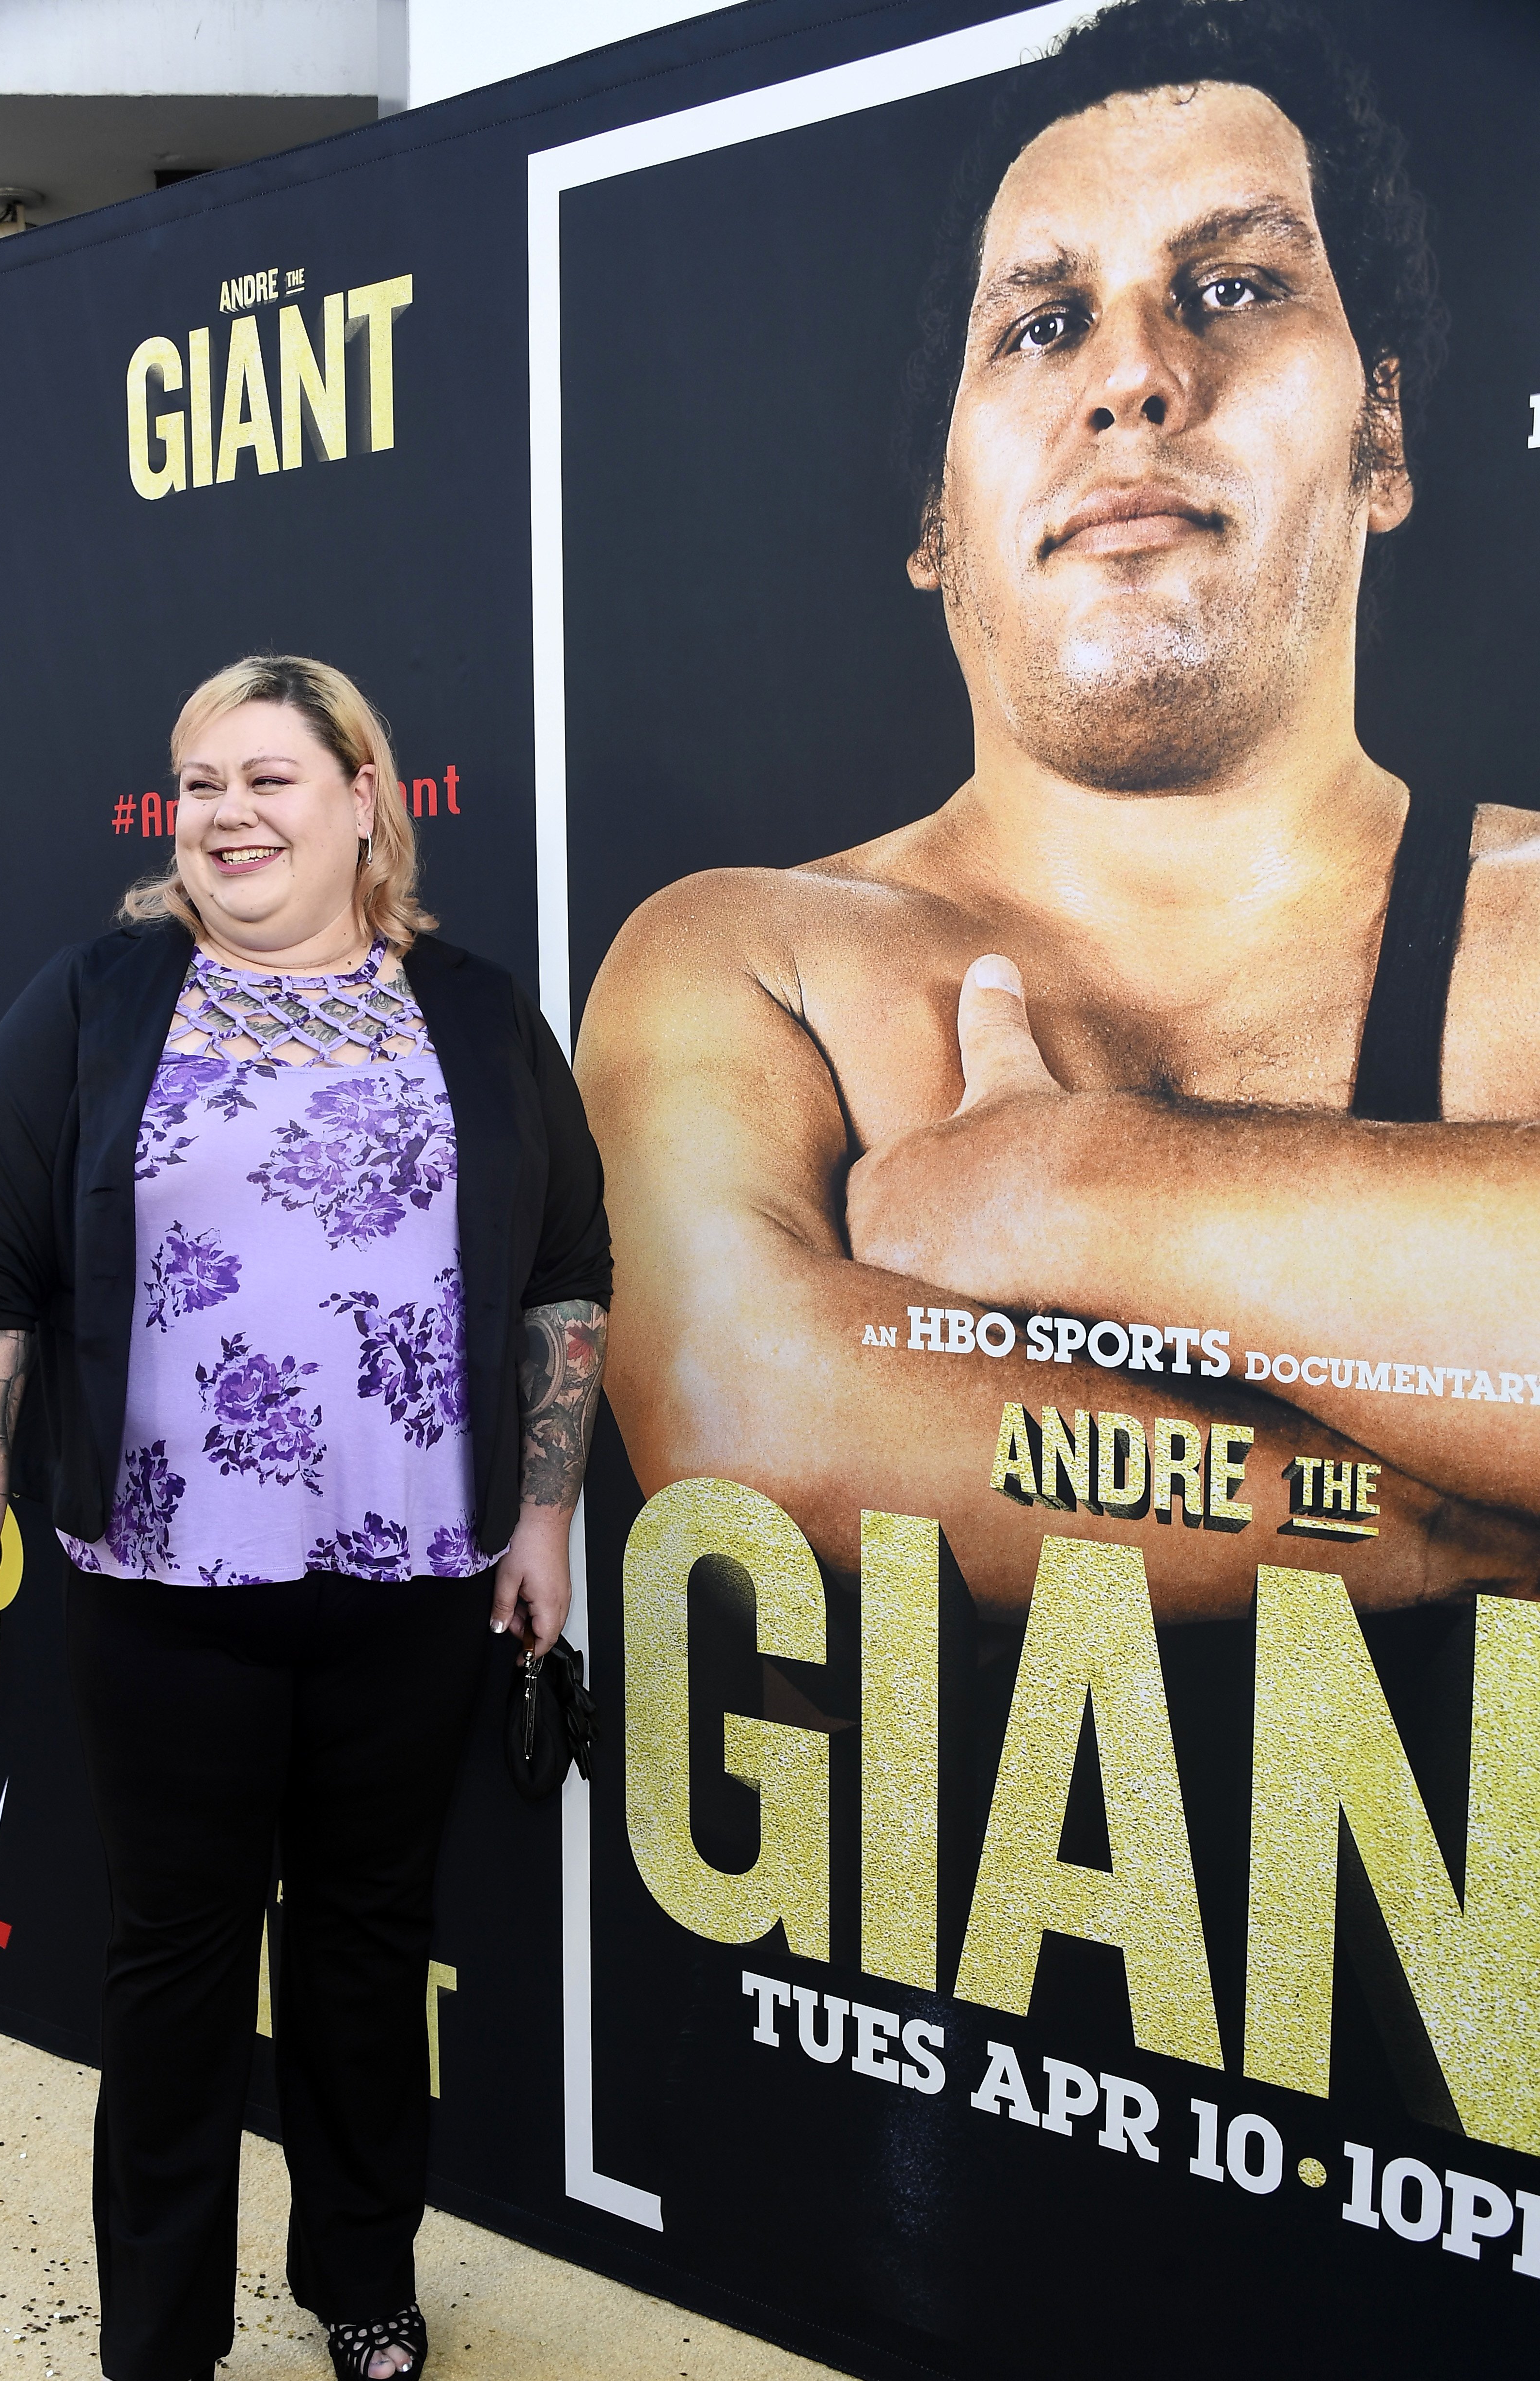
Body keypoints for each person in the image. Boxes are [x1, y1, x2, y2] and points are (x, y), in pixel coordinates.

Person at [575, 0, 1540, 1626]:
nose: (1139, 379)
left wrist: (1058, 1188)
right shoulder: (755, 969)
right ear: (932, 515)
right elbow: (749, 1415)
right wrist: (1448, 1526)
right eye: (1041, 325)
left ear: (1380, 431)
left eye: (1233, 288)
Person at [0, 653, 611, 2381]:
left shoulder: (469, 1014)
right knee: (177, 1964)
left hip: (408, 1588)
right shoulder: (95, 1006)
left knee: (374, 1940)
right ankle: (158, 2346)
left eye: (272, 778)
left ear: (369, 799)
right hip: (164, 1589)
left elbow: (563, 1269)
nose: (226, 812)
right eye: (197, 781)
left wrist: (541, 1516)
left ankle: (362, 2273)